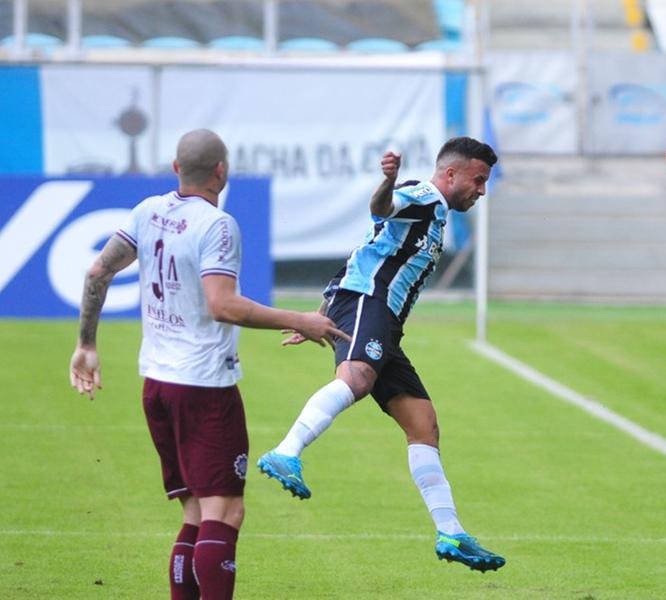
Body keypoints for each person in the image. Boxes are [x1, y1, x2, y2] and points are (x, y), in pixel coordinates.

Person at [68, 128, 349, 600]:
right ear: (222, 171)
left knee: (196, 513)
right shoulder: (217, 225)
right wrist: (302, 318)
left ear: (177, 168)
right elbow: (223, 305)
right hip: (202, 387)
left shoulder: (147, 210)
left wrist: (86, 344)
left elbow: (98, 271)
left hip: (156, 383)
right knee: (225, 513)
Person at [256, 136, 506, 572]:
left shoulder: (437, 214)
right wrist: (387, 181)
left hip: (382, 320)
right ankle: (286, 451)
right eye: (478, 179)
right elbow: (382, 209)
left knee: (423, 424)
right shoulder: (424, 196)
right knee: (356, 379)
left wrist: (320, 313)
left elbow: (367, 248)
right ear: (451, 173)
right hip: (369, 303)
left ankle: (451, 532)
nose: (481, 190)